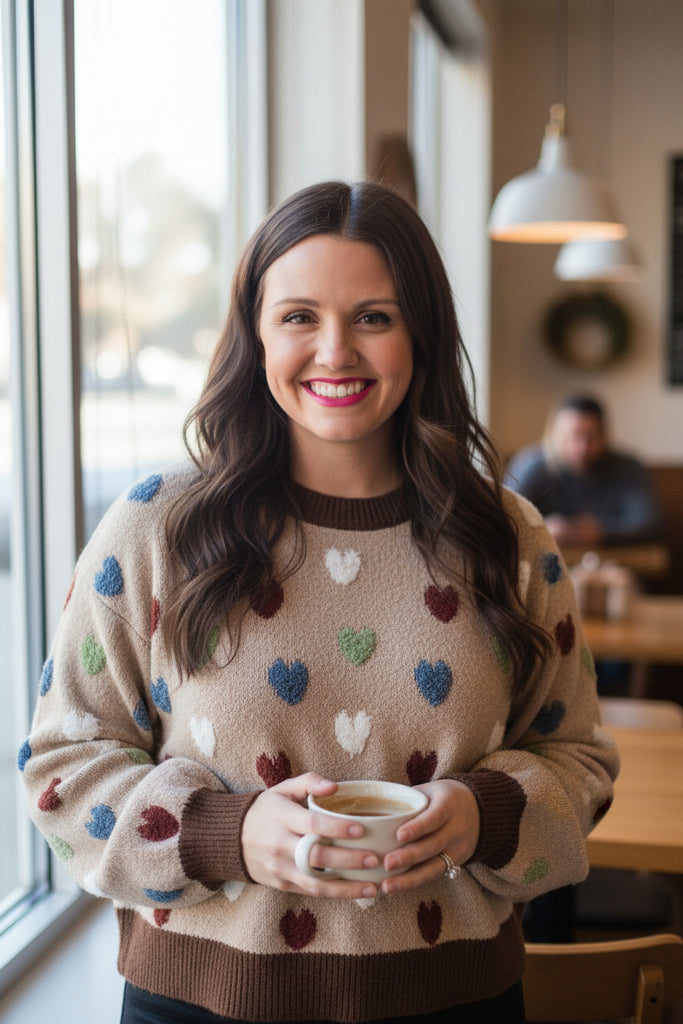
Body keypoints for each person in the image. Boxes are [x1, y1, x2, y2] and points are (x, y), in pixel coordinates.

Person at [19, 181, 618, 1024]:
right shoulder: (156, 527)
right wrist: (224, 834)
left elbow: (581, 764)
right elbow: (57, 774)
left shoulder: (508, 536)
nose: (335, 351)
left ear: (421, 334)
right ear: (256, 335)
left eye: (373, 316)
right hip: (198, 1006)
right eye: (299, 316)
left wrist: (483, 817)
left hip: (457, 1002)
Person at [504, 394, 663, 548]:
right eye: (573, 436)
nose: (582, 448)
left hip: (612, 565)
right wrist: (542, 529)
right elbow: (506, 518)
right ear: (554, 434)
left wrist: (602, 532)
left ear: (604, 436)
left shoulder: (627, 467)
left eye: (591, 437)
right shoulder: (531, 465)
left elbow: (650, 523)